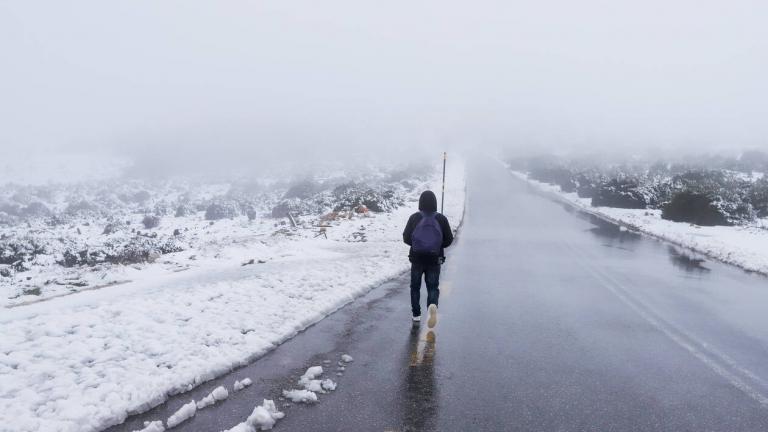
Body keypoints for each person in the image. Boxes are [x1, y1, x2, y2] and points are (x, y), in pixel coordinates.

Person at [402, 190, 453, 327]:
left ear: (420, 202)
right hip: (434, 260)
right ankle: (432, 307)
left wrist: (418, 244)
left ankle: (416, 314)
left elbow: (406, 237)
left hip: (417, 259)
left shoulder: (414, 218)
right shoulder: (441, 219)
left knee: (415, 287)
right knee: (432, 287)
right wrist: (436, 245)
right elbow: (449, 239)